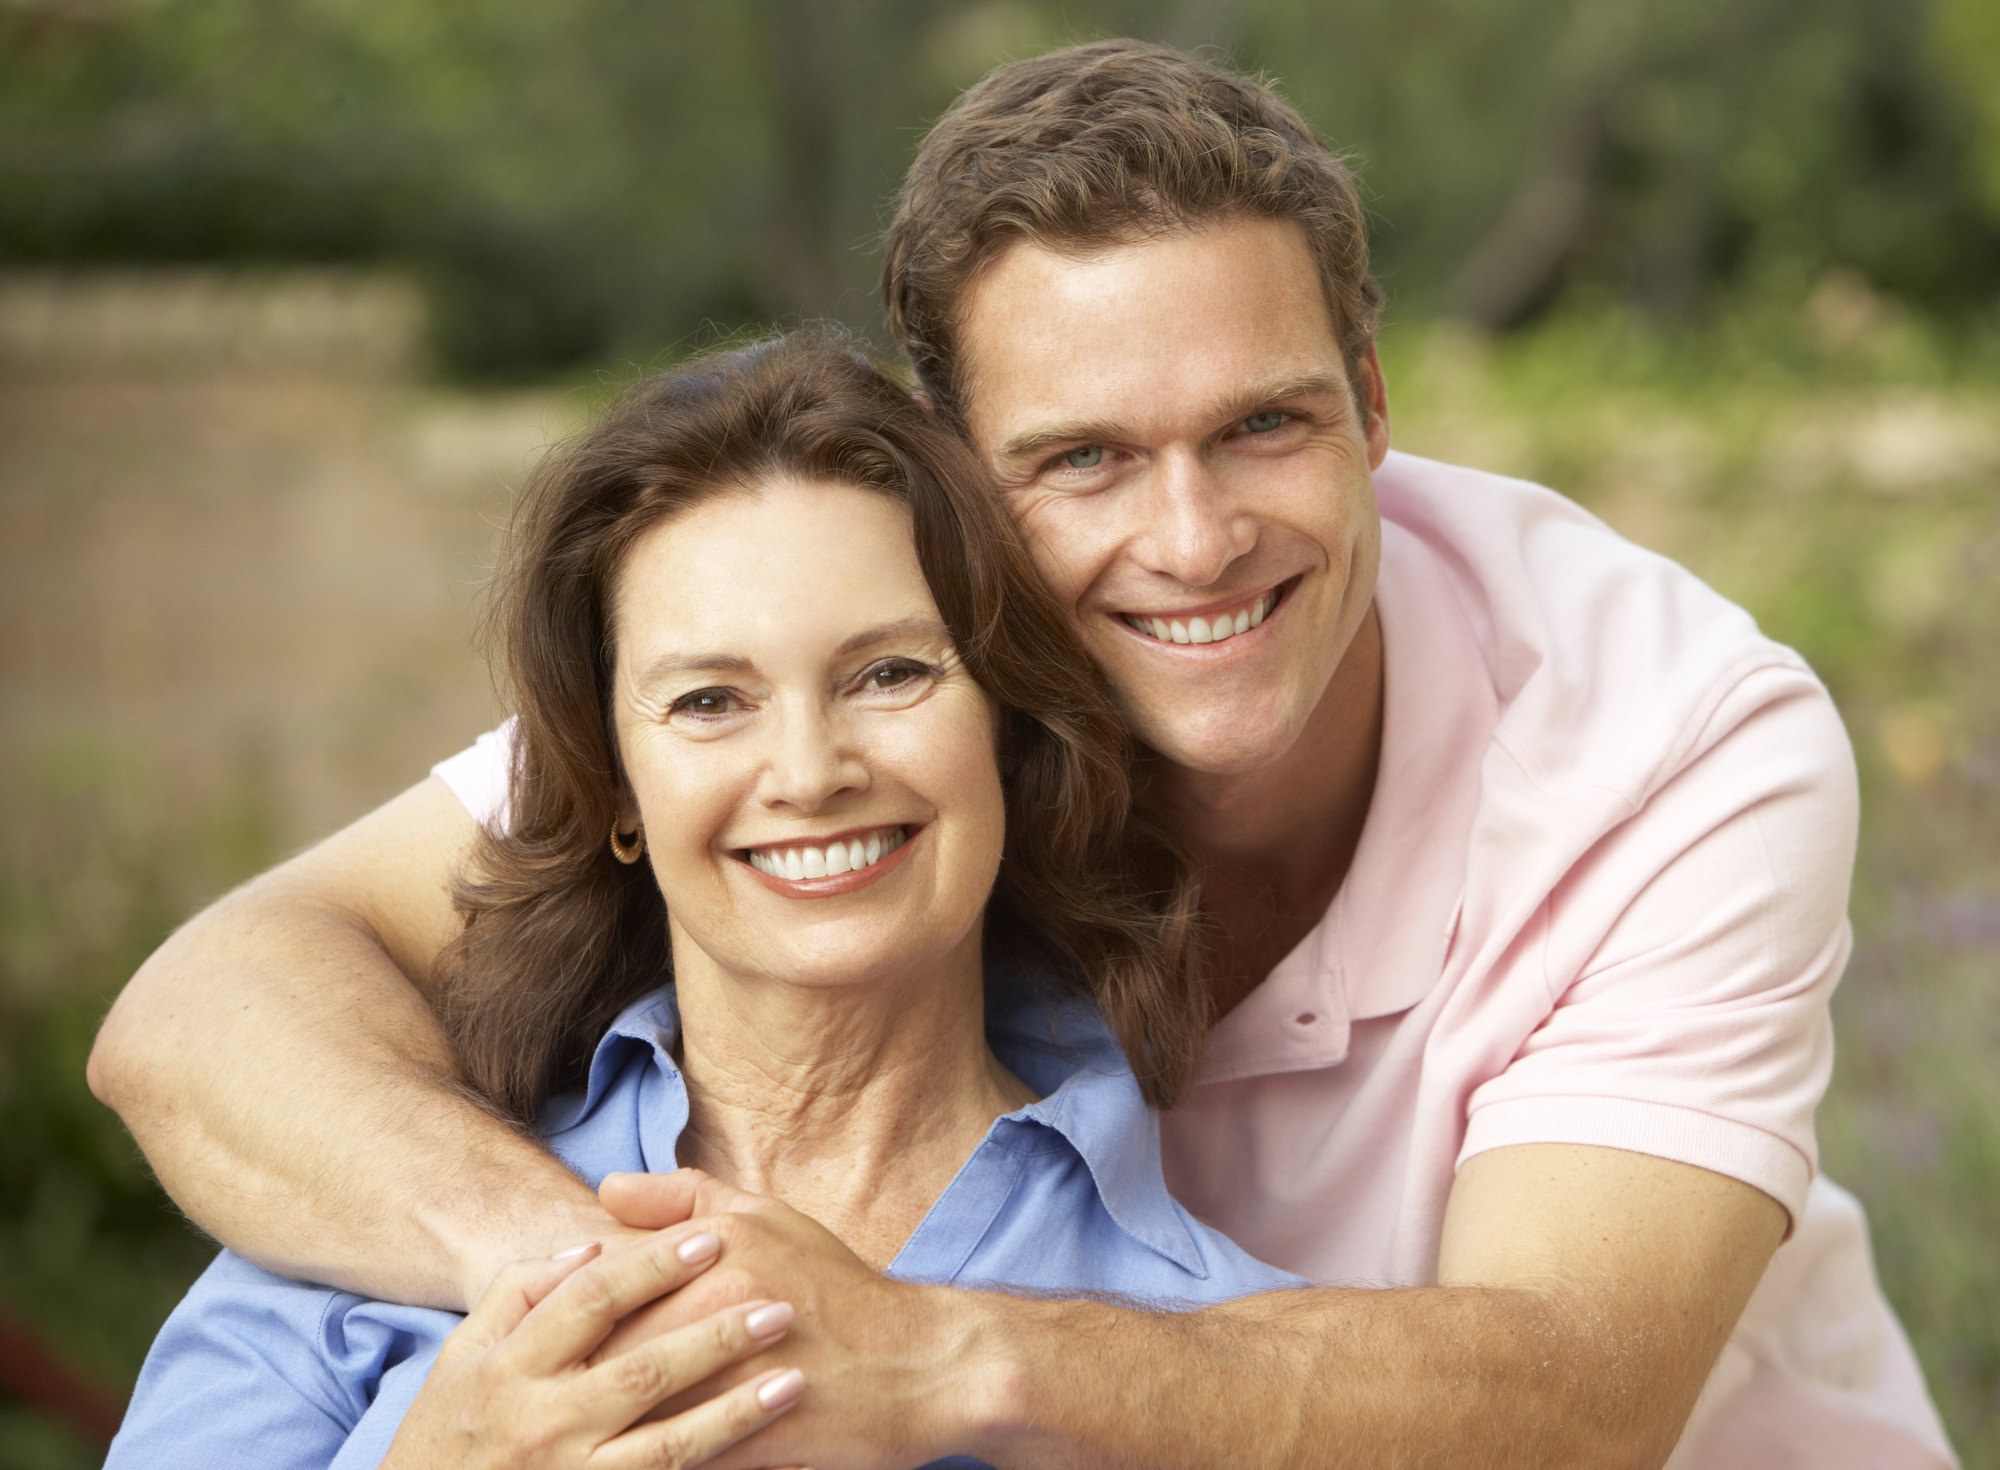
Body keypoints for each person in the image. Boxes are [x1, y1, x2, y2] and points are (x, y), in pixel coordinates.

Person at [91, 39, 1956, 1470]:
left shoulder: (1668, 736)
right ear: (950, 481)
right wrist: (601, 1296)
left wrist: (936, 1355)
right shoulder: (854, 685)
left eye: (1265, 426)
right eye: (1080, 459)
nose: (1194, 534)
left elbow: (1579, 1397)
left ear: (1375, 407)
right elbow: (201, 1017)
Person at [104, 333, 1305, 1470]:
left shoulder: (1204, 1360)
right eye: (707, 702)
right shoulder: (366, 1210)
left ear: (1006, 726)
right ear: (612, 786)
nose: (808, 772)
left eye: (888, 673)